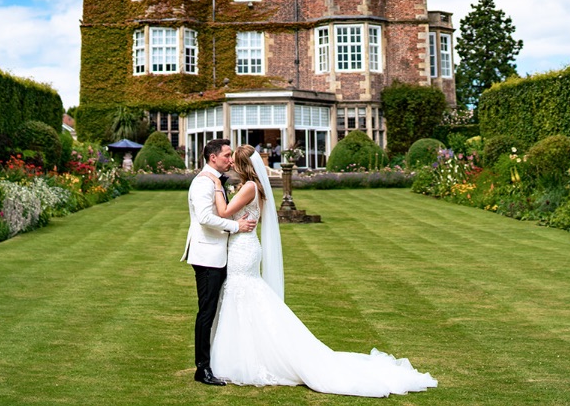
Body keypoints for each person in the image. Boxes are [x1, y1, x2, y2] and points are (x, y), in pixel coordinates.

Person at [208, 145, 438, 396]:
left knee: (243, 292)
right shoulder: (252, 187)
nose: (230, 163)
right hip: (244, 245)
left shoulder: (250, 187)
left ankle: (254, 357)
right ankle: (249, 353)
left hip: (243, 248)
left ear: (243, 164)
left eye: (234, 160)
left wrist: (217, 185)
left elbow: (224, 212)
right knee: (244, 295)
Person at [181, 138, 257, 386]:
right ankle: (202, 368)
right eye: (226, 155)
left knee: (216, 310)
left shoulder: (215, 181)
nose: (230, 159)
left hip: (219, 254)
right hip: (207, 256)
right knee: (207, 311)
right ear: (212, 157)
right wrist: (236, 226)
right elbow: (204, 217)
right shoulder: (203, 182)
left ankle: (216, 360)